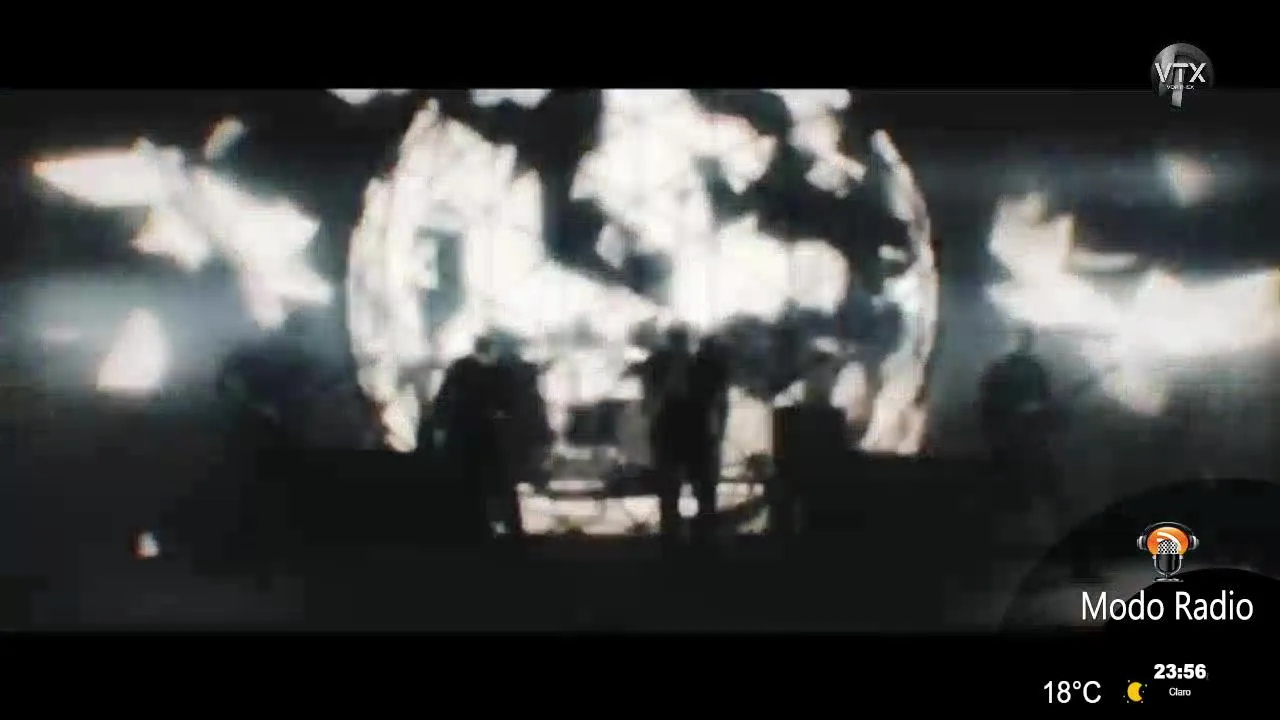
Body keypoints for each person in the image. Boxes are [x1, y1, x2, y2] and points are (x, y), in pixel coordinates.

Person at [638, 325, 725, 542]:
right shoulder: (698, 366)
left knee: (695, 494)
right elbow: (719, 403)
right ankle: (690, 538)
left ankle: (691, 538)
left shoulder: (698, 367)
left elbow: (649, 405)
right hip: (684, 433)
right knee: (681, 494)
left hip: (686, 433)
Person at [433, 334, 520, 539]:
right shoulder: (499, 371)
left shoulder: (462, 369)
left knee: (477, 482)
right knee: (492, 482)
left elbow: (444, 400)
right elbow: (510, 404)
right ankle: (498, 526)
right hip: (482, 434)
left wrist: (441, 427)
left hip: (470, 434)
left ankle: (477, 525)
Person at [978, 325, 1057, 506]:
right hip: (1006, 430)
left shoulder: (1035, 368)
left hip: (1027, 431)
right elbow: (988, 399)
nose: (1024, 343)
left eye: (1027, 339)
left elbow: (1045, 396)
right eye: (1021, 339)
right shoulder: (1001, 368)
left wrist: (1037, 408)